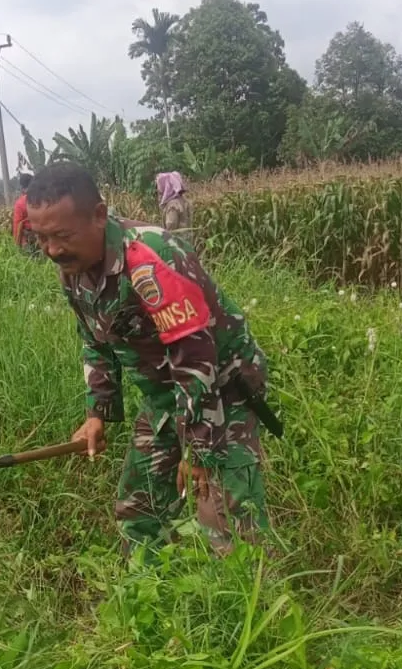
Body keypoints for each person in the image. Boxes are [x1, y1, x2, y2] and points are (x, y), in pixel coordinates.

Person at [25, 161, 272, 557]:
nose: (52, 250)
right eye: (41, 238)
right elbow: (96, 341)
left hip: (222, 390)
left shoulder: (150, 256)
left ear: (99, 215)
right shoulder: (74, 266)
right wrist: (97, 414)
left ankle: (253, 605)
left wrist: (197, 450)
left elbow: (196, 358)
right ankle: (147, 599)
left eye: (62, 235)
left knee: (227, 526)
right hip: (165, 395)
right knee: (139, 509)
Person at [156, 171, 192, 237]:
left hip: (177, 243)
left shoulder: (172, 206)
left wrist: (162, 241)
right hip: (186, 241)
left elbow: (171, 229)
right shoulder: (184, 201)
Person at [12, 173, 37, 253]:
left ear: (22, 187)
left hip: (29, 239)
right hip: (45, 237)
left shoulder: (20, 203)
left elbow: (17, 224)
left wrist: (17, 244)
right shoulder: (43, 198)